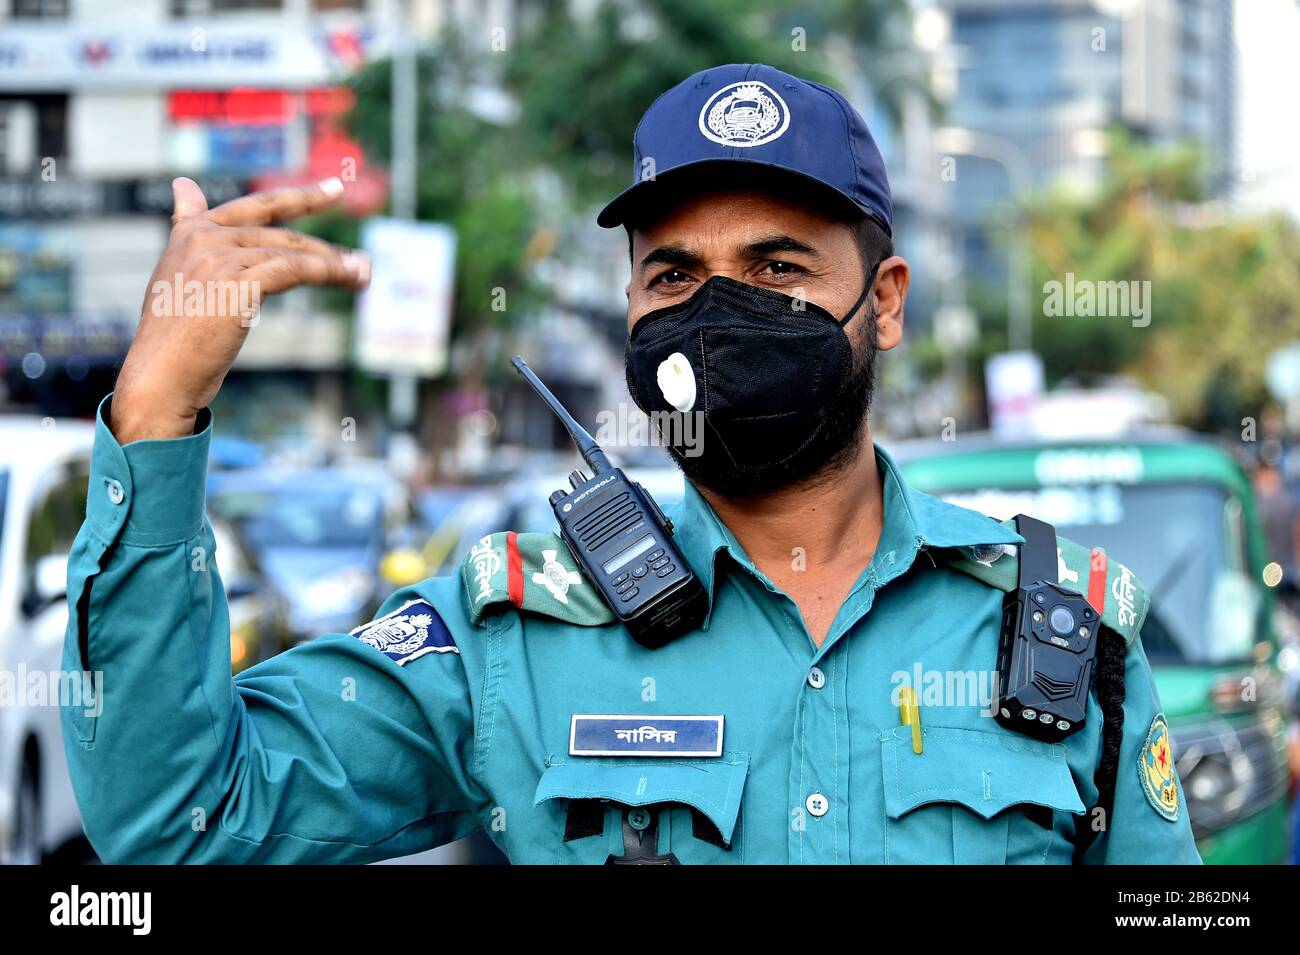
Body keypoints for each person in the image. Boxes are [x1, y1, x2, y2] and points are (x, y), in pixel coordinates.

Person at [61, 63, 1200, 864]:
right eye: (673, 277)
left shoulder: (1060, 628)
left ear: (885, 302)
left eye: (778, 268)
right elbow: (183, 820)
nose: (717, 312)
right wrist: (157, 412)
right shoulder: (513, 637)